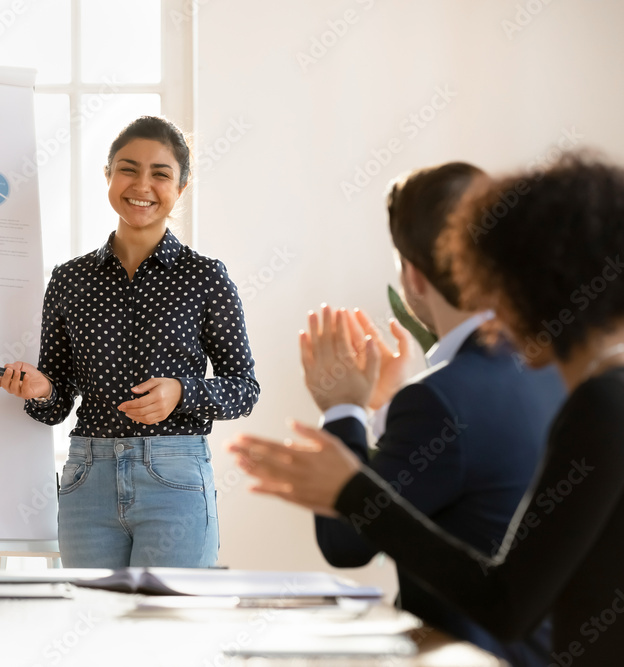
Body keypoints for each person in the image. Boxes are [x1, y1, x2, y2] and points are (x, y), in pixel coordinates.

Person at [230, 152, 624, 666]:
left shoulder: (602, 405)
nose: (487, 306)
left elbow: (507, 605)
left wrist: (352, 491)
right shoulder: (600, 395)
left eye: (491, 280)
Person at [303, 163, 564, 665]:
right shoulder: (557, 368)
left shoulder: (440, 401)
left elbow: (348, 543)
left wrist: (342, 409)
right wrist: (384, 407)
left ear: (412, 274)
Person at [0, 116, 260, 567]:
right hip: (86, 479)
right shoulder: (69, 279)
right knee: (92, 630)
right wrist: (40, 389)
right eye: (128, 169)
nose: (143, 185)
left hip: (174, 477)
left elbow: (243, 388)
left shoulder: (205, 277)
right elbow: (57, 402)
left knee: (171, 628)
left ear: (182, 185)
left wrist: (182, 392)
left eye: (161, 174)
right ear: (108, 175)